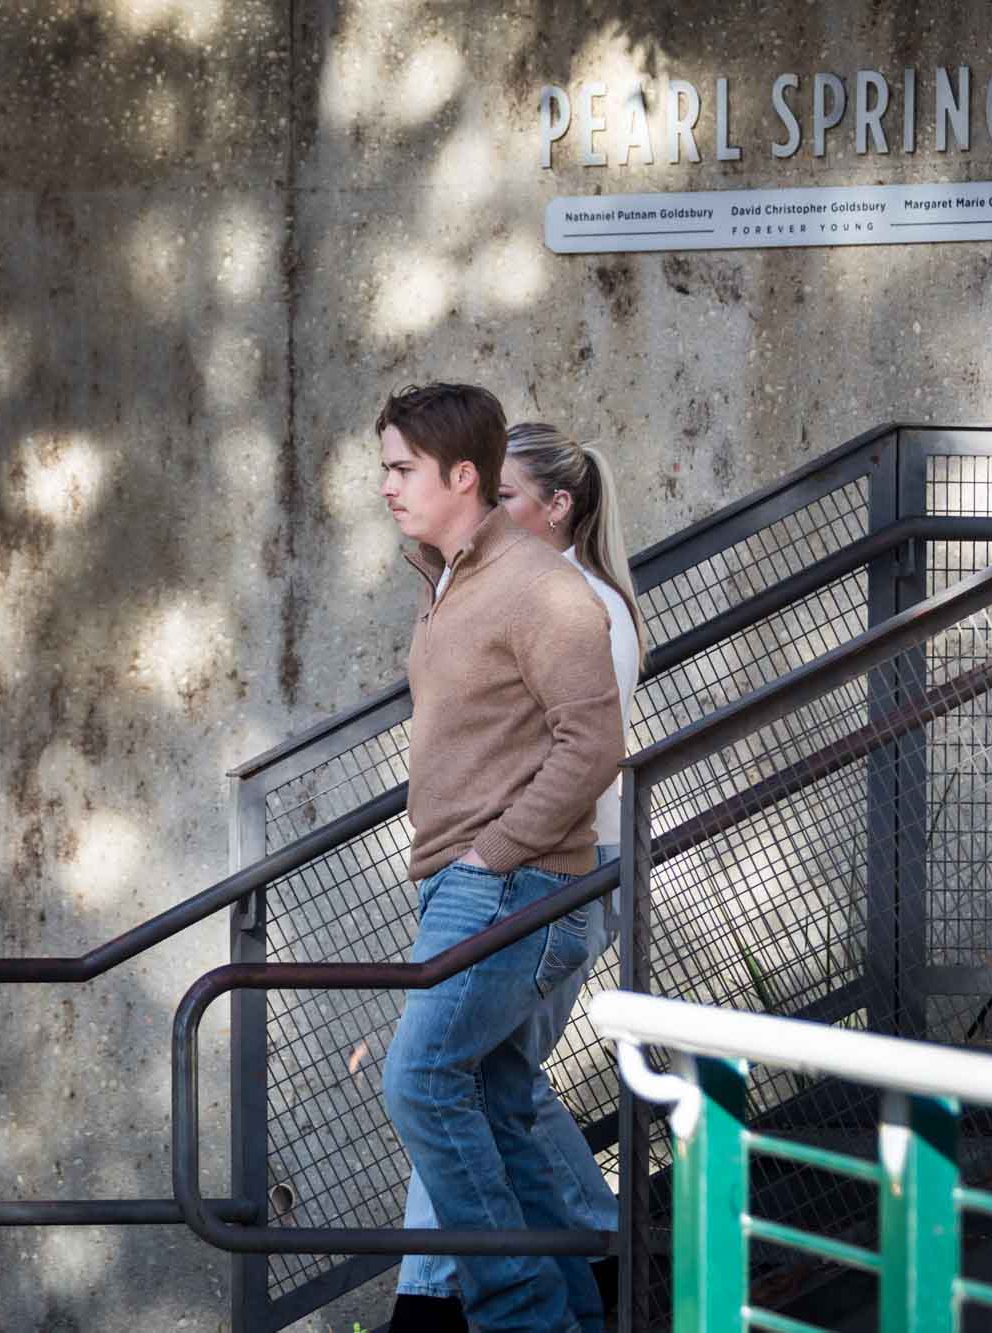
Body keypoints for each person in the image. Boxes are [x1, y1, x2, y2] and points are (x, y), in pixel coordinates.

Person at [374, 385, 624, 1333]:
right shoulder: (453, 582)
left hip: (511, 882)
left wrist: (490, 855)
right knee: (496, 1093)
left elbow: (591, 742)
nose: (388, 486)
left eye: (403, 468)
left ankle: (519, 1312)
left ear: (462, 475)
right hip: (469, 881)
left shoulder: (537, 584)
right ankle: (563, 1317)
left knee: (421, 1080)